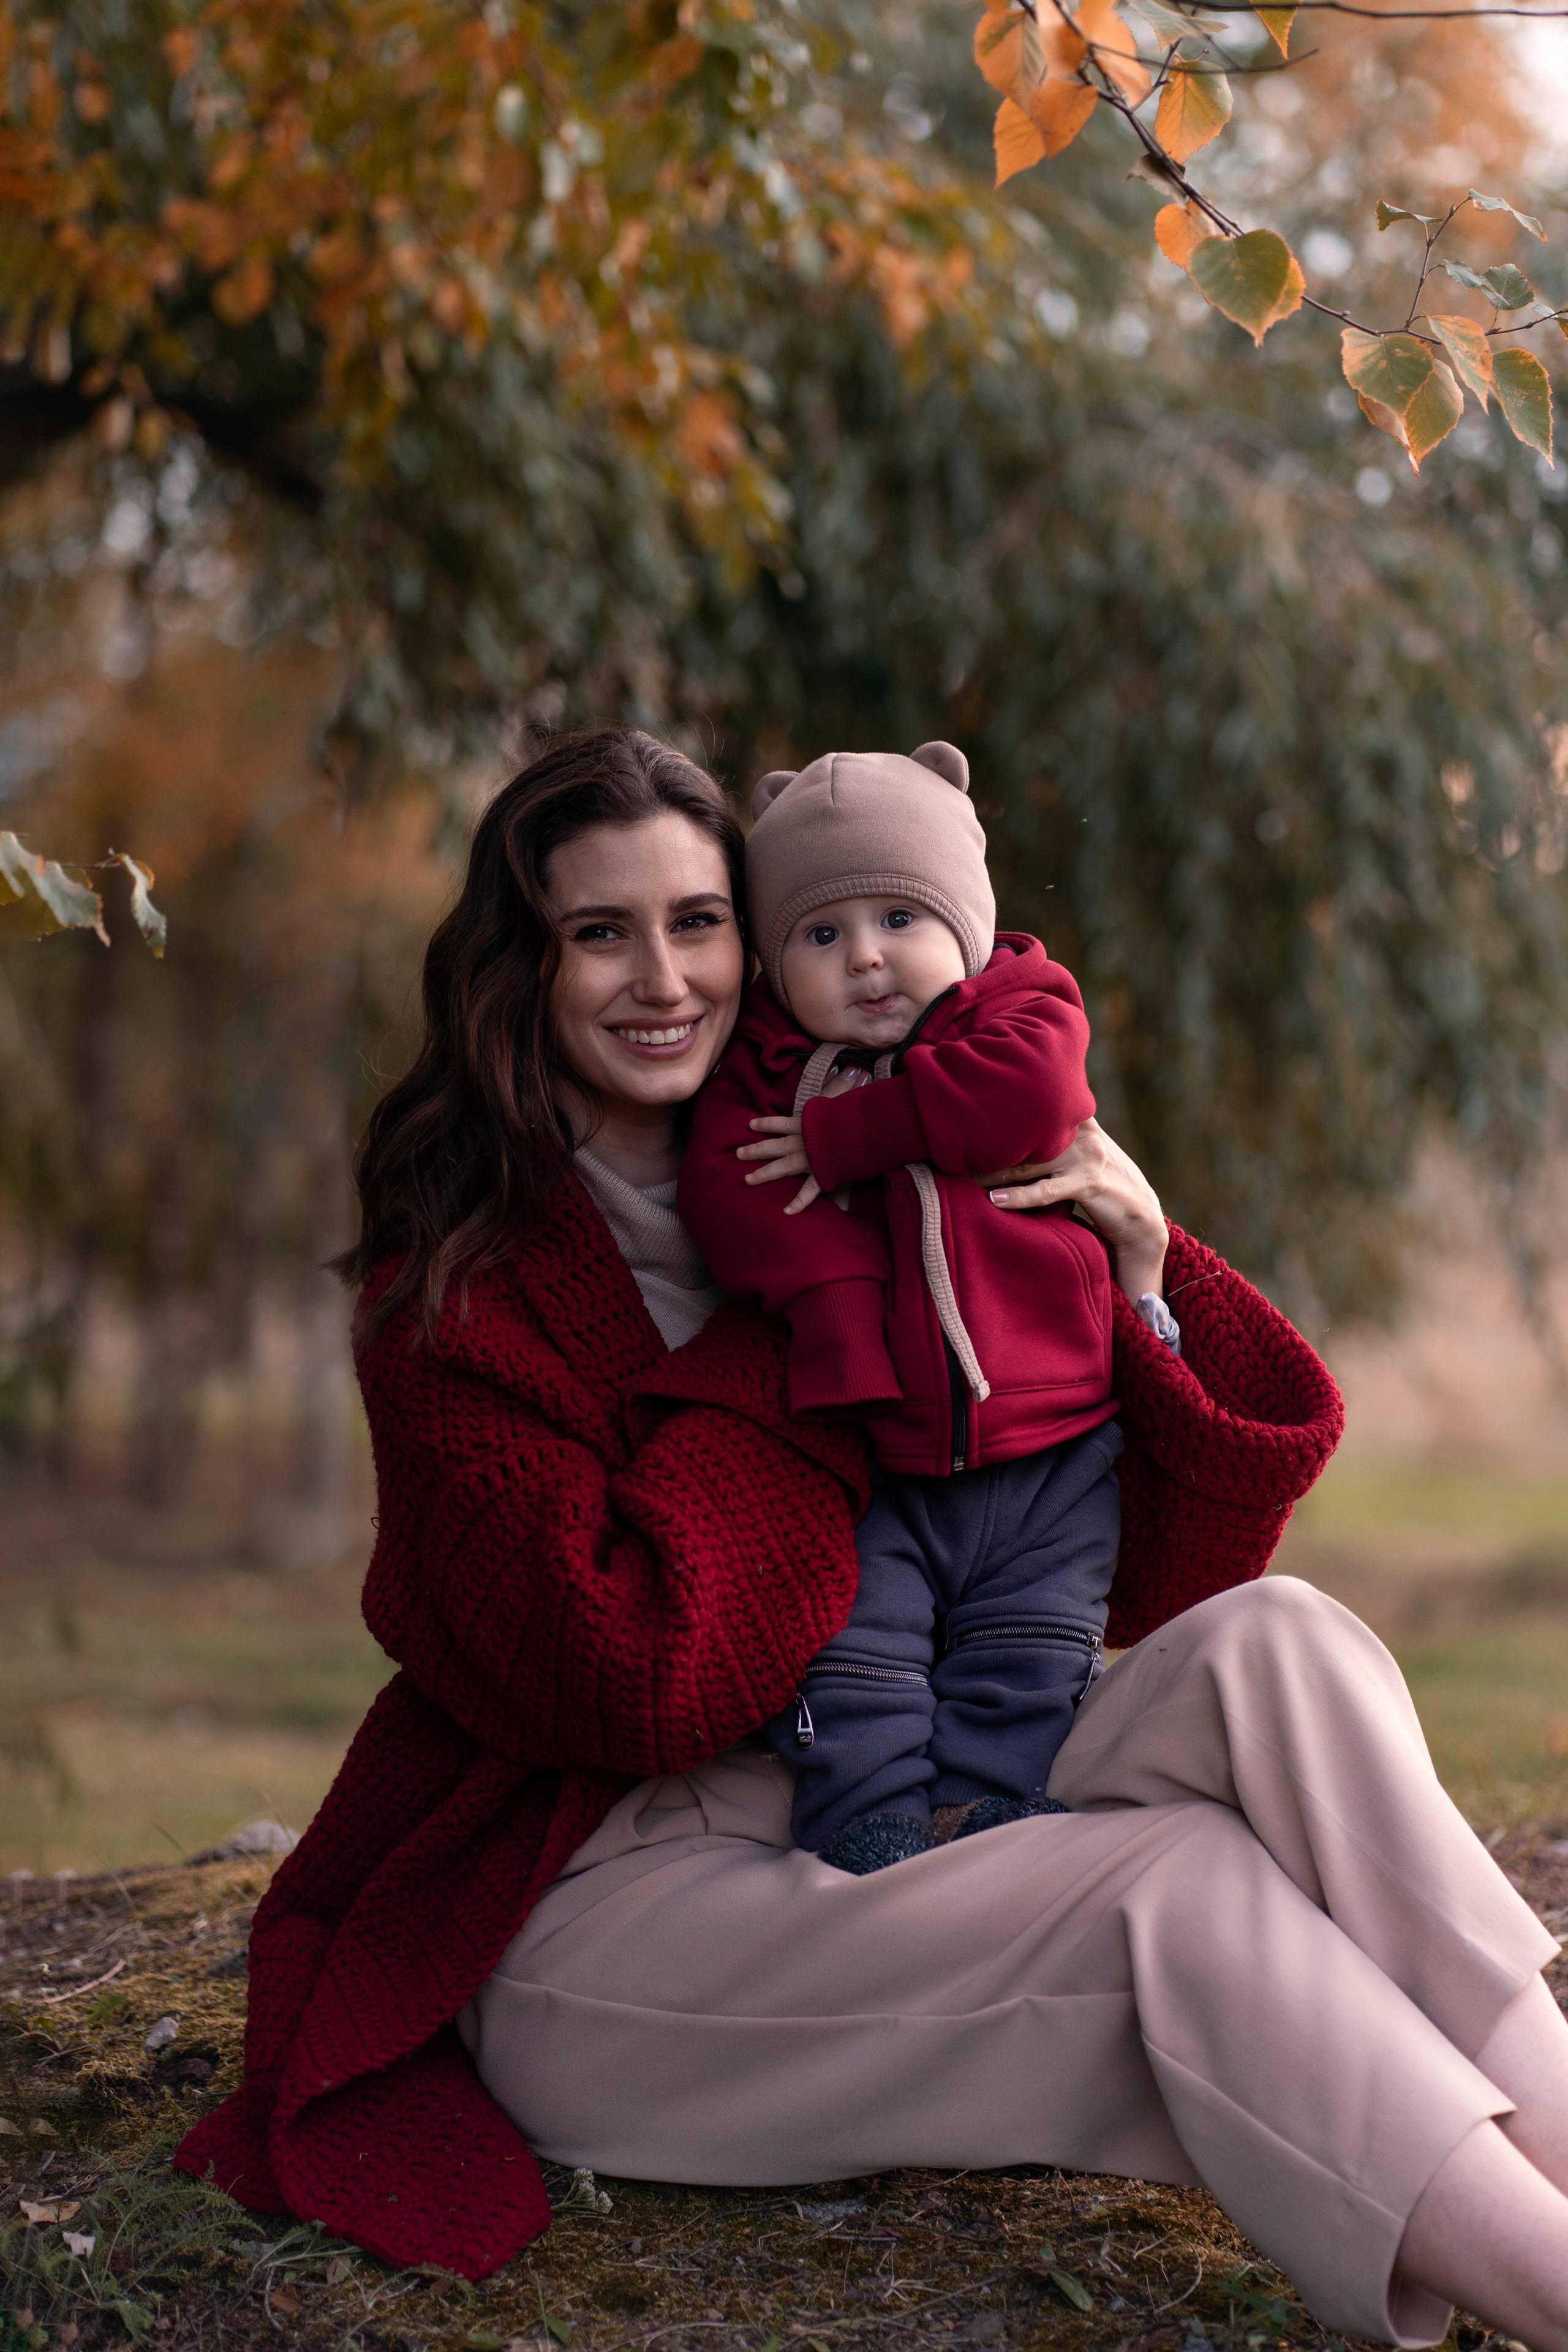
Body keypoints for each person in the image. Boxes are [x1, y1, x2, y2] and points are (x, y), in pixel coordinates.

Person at [177, 729, 1568, 2352]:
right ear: (523, 967)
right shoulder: (461, 1296)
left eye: (697, 922)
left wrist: (1134, 1273)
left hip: (899, 1774)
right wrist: (806, 1333)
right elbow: (639, 1677)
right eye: (599, 932)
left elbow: (1169, 1583)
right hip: (617, 1911)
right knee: (1179, 1888)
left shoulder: (885, 1147)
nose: (662, 979)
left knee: (1290, 1648)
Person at [680, 739, 1148, 1872]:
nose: (868, 961)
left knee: (1031, 1655)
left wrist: (854, 1137)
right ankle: (872, 1830)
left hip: (1054, 1446)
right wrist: (839, 1307)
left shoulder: (1020, 1010)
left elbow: (1032, 1104)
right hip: (874, 1452)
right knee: (855, 1659)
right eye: (822, 936)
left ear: (969, 927)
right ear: (773, 961)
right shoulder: (769, 1066)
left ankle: (993, 1819)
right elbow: (729, 1191)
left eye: (901, 918)